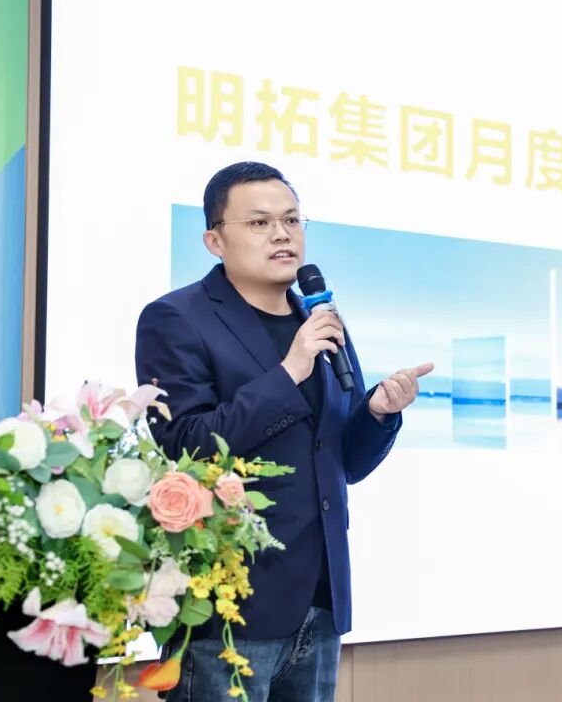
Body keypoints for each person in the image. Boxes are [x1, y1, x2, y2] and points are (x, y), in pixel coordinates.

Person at [135, 161, 432, 701]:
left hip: (320, 598)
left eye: (292, 220)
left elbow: (343, 463)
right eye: (260, 222)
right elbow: (187, 445)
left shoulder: (319, 320)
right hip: (229, 605)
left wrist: (378, 413)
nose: (281, 234)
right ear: (214, 240)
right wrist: (289, 372)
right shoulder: (175, 318)